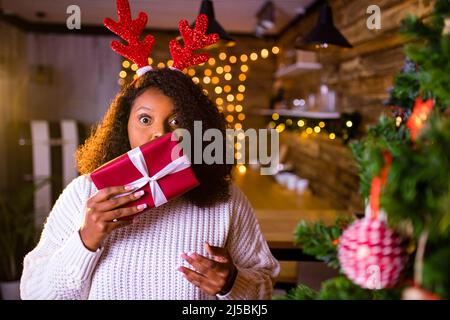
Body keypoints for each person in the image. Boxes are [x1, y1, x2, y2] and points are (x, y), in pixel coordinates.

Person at [20, 68, 280, 300]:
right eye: (145, 119)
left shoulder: (226, 200)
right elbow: (35, 293)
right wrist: (86, 239)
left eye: (177, 122)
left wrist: (233, 284)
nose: (160, 133)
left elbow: (264, 291)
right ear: (125, 126)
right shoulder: (85, 193)